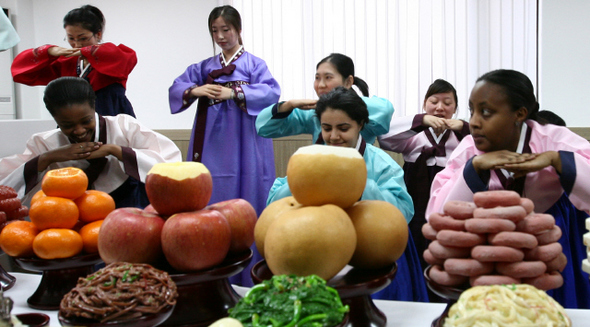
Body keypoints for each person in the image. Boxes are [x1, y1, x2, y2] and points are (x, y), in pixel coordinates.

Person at [426, 69, 590, 309]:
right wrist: (475, 168)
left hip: (545, 242)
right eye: (472, 111)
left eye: (486, 112)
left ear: (520, 114)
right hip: (484, 246)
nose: (473, 122)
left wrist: (557, 160)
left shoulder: (554, 140)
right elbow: (436, 216)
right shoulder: (469, 149)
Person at [268, 87, 428, 302]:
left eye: (343, 128)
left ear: (360, 125)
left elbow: (403, 212)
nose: (333, 137)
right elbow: (275, 206)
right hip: (316, 250)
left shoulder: (381, 163)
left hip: (370, 255)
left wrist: (360, 185)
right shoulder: (310, 160)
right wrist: (304, 183)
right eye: (326, 128)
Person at [168, 5, 280, 286]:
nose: (220, 36)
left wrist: (235, 92)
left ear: (238, 30)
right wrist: (196, 90)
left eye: (225, 29)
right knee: (212, 193)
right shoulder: (204, 67)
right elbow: (176, 86)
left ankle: (250, 274)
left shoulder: (255, 65)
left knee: (249, 194)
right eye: (214, 31)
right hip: (211, 140)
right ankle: (212, 273)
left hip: (246, 139)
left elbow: (271, 93)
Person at [0, 77, 182, 209]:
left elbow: (171, 166)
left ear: (94, 106)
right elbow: (6, 189)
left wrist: (116, 150)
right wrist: (47, 158)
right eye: (67, 125)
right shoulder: (44, 143)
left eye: (86, 121)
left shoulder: (125, 127)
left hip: (129, 210)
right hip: (70, 220)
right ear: (55, 118)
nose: (79, 131)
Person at [378, 79, 470, 295]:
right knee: (417, 240)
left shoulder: (464, 137)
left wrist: (464, 126)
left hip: (450, 198)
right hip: (416, 197)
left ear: (455, 108)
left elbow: (484, 144)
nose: (440, 107)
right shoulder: (414, 134)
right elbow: (385, 138)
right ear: (424, 104)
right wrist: (422, 121)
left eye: (447, 103)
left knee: (447, 242)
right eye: (434, 101)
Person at [11, 5, 137, 117]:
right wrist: (48, 51)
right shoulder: (66, 62)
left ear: (98, 34)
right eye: (71, 38)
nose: (77, 44)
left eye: (83, 38)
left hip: (112, 115)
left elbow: (126, 58)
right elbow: (21, 72)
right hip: (75, 120)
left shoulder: (113, 57)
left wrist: (87, 52)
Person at [256, 53, 393, 145]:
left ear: (348, 81)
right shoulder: (312, 113)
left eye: (328, 78)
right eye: (317, 78)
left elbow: (385, 110)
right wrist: (288, 105)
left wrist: (343, 103)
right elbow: (264, 128)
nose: (320, 85)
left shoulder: (362, 112)